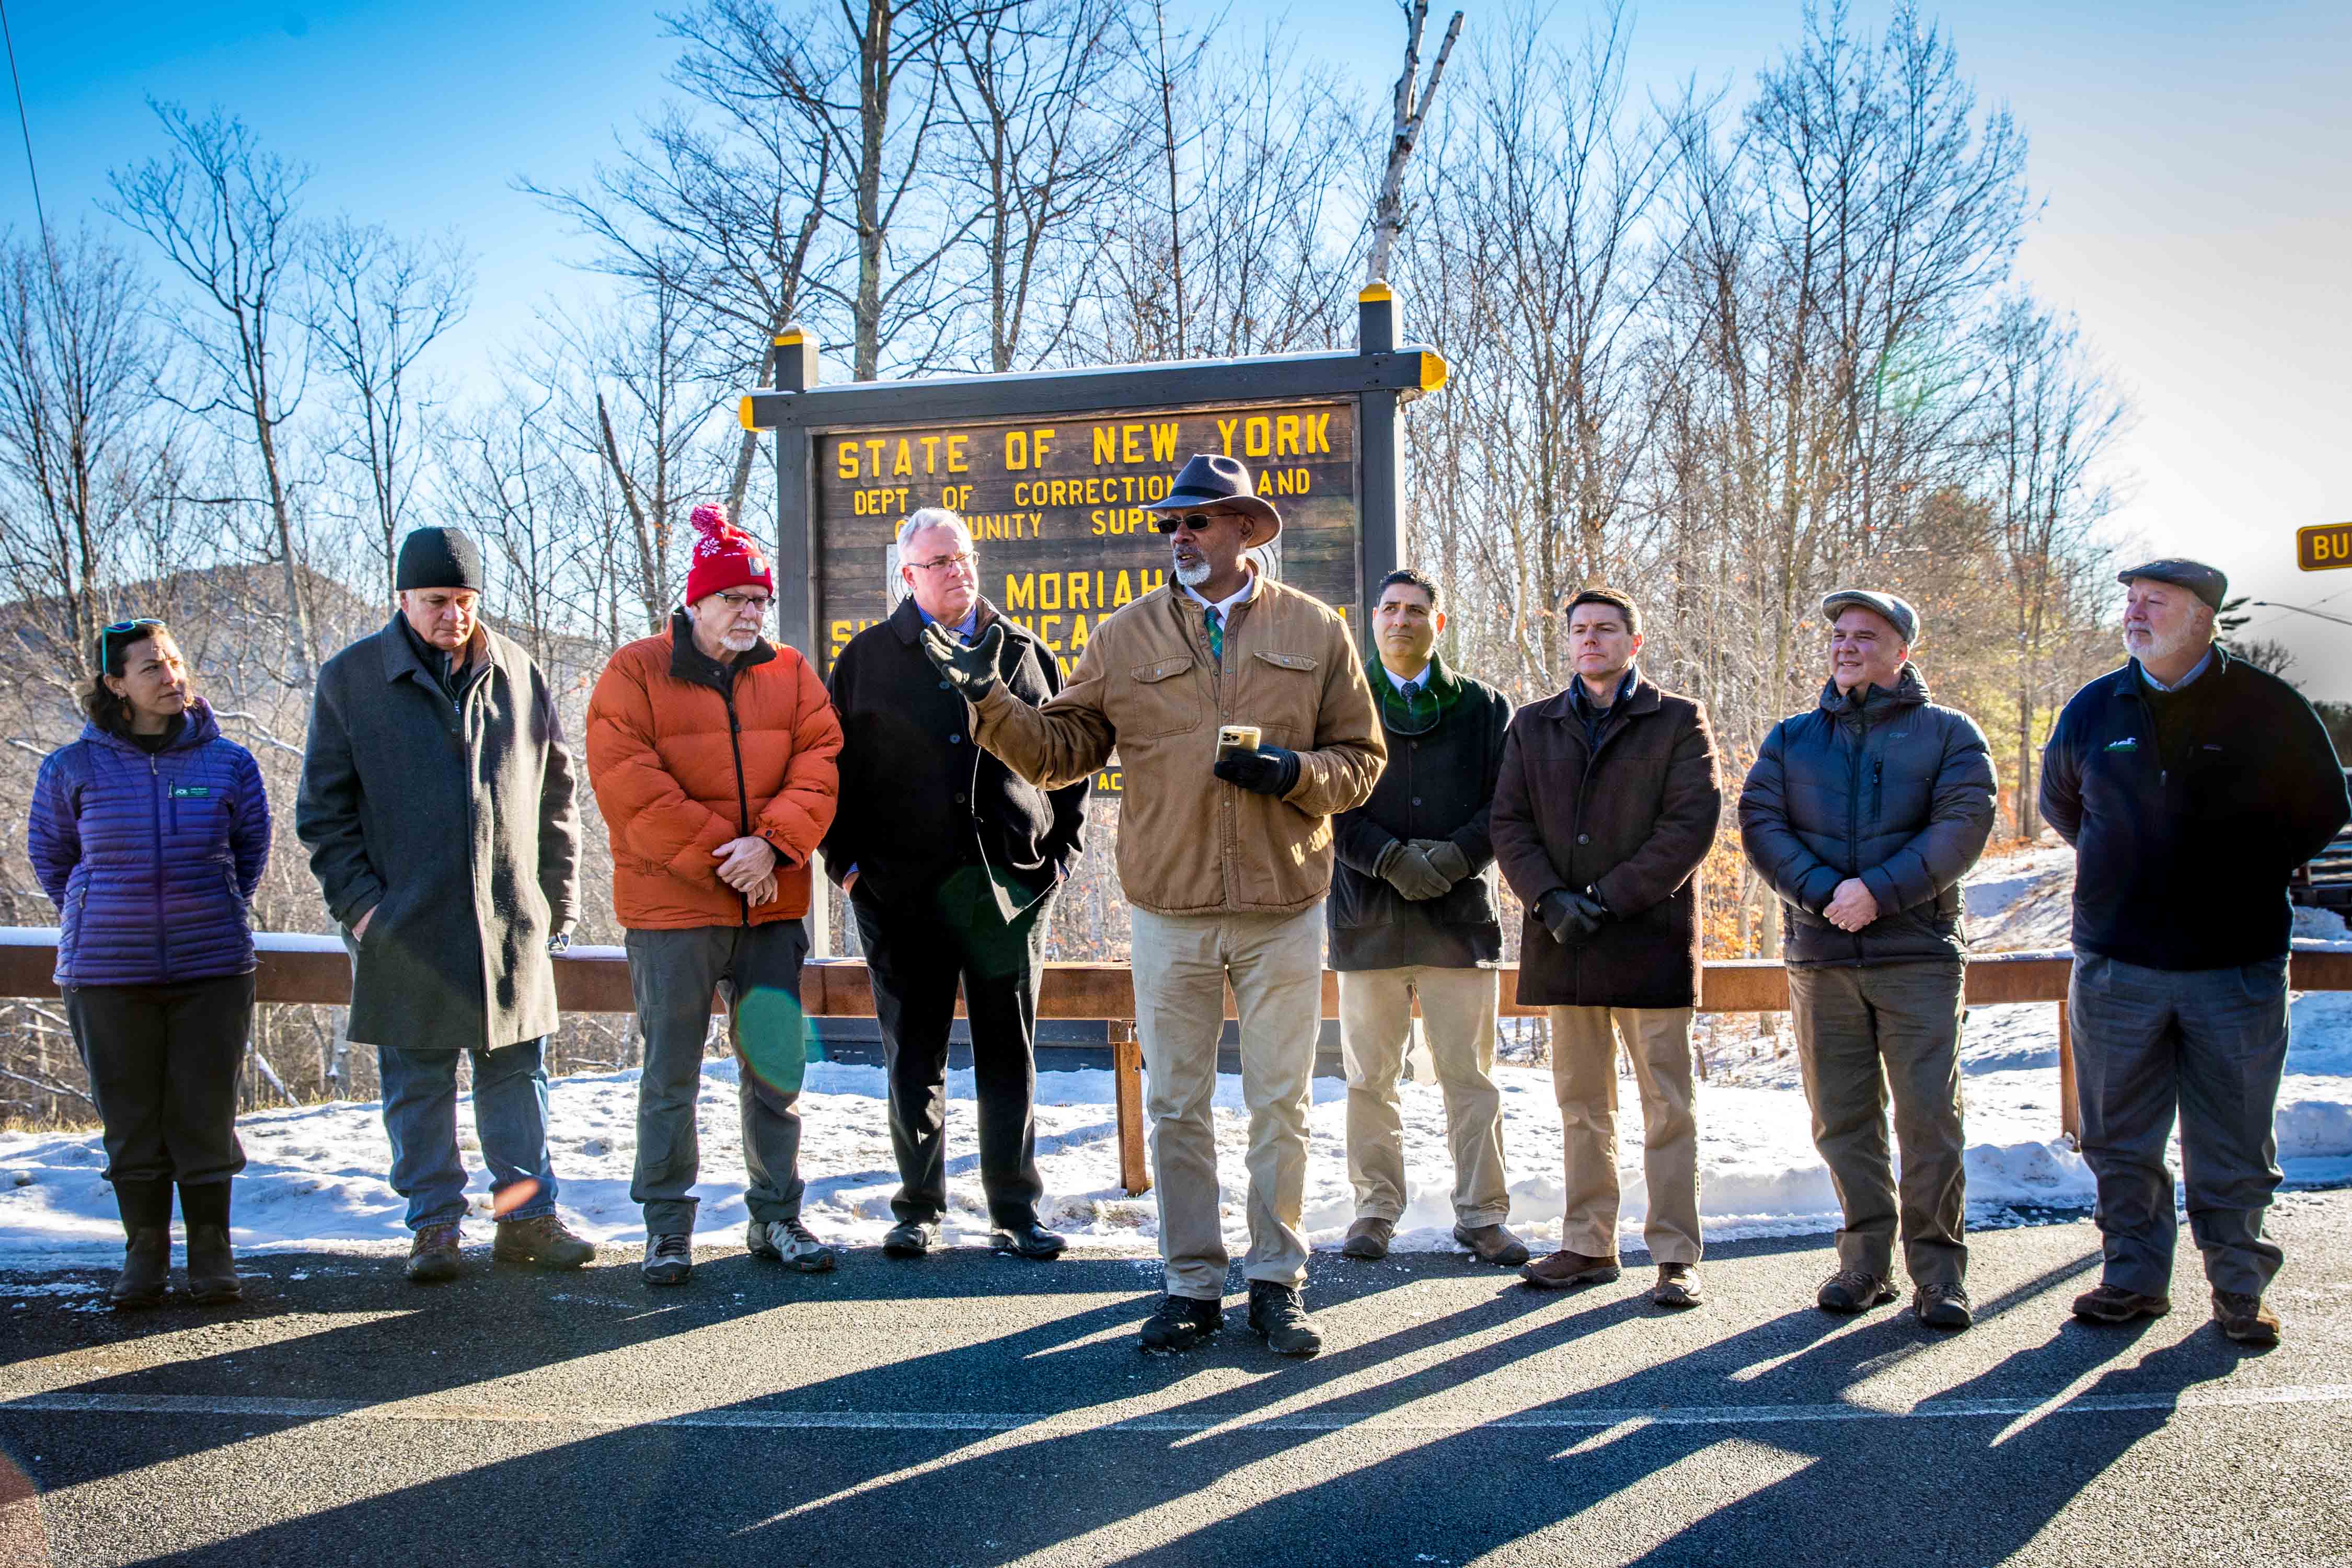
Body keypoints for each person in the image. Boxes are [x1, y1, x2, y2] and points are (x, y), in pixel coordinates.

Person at [928, 453, 1383, 1357]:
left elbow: (1362, 761)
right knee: (1176, 1103)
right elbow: (1059, 753)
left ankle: (1276, 1283)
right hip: (1169, 907)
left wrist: (1293, 773)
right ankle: (1189, 1285)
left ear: (1245, 530)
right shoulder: (1125, 636)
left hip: (1283, 904)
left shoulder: (1315, 628)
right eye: (1169, 525)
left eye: (1196, 522)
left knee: (1279, 1104)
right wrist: (988, 694)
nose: (1177, 536)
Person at [2040, 558, 2350, 1345]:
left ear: (2205, 616)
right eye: (2131, 603)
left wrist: (2240, 868)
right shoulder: (2093, 706)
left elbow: (2323, 806)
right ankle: (2133, 1280)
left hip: (2236, 964)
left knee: (2235, 1139)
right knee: (2120, 1138)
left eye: (2156, 602)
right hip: (2116, 962)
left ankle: (2240, 1290)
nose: (2135, 614)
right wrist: (2134, 870)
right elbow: (2063, 803)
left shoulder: (2268, 706)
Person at [297, 526, 592, 1284]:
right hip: (405, 927)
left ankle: (526, 1220)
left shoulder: (518, 673)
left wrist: (554, 902)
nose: (452, 616)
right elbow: (323, 817)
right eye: (436, 601)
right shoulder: (352, 680)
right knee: (419, 1084)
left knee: (517, 1080)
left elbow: (557, 796)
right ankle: (434, 1229)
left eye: (464, 600)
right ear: (402, 597)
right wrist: (367, 913)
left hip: (509, 922)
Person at [586, 503, 843, 1287]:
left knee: (775, 1074)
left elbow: (823, 760)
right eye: (733, 599)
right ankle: (667, 1228)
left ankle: (777, 1215)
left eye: (758, 600)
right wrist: (725, 858)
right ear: (695, 604)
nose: (748, 613)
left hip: (772, 909)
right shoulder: (634, 673)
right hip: (673, 915)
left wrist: (771, 844)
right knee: (670, 1075)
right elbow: (628, 785)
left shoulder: (791, 673)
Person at [823, 509, 1088, 1261]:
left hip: (1007, 893)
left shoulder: (1027, 654)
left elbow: (1068, 766)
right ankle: (918, 1208)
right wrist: (845, 867)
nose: (957, 572)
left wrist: (1058, 860)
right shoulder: (868, 659)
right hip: (900, 894)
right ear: (906, 576)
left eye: (964, 557)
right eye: (938, 562)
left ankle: (1015, 1210)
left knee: (1011, 1054)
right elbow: (829, 772)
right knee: (916, 1057)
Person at [1738, 590, 1994, 1331]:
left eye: (1866, 636)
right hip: (1822, 955)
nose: (1846, 646)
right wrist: (1827, 895)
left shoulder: (1948, 734)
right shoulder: (1792, 739)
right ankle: (1864, 1264)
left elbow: (1963, 824)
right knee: (1843, 1120)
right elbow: (1762, 823)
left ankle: (1940, 1275)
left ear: (1902, 651)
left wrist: (1877, 894)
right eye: (1840, 636)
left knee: (1929, 1120)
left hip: (1916, 954)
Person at [1491, 589, 1723, 1307]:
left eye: (1606, 630)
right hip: (1566, 941)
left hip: (1648, 938)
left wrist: (1606, 899)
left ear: (1634, 640)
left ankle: (1674, 1254)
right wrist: (1550, 899)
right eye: (1581, 631)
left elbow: (1691, 826)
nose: (1591, 640)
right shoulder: (1534, 725)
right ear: (1568, 643)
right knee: (1582, 1105)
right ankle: (1589, 1244)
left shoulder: (1678, 719)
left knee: (1667, 1104)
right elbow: (1509, 822)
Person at [29, 619, 270, 1308]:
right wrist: (100, 911)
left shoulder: (228, 763)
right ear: (115, 685)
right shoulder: (69, 769)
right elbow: (54, 861)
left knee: (204, 1111)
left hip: (212, 968)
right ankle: (145, 1252)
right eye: (150, 669)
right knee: (131, 1116)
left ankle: (212, 1252)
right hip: (107, 974)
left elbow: (248, 853)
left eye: (174, 662)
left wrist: (210, 905)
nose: (171, 677)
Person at [1327, 568, 1524, 1267]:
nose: (1401, 620)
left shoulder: (1483, 707)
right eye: (1389, 609)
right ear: (1372, 621)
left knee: (1469, 1078)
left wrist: (1449, 861)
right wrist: (1388, 861)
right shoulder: (1342, 702)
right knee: (1369, 1081)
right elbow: (1324, 802)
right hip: (1367, 921)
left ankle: (1482, 1215)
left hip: (1458, 921)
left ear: (1438, 624)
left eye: (1416, 611)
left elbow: (1507, 806)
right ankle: (1375, 1208)